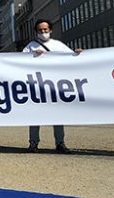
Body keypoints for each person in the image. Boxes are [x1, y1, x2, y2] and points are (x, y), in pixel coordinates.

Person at [23, 19, 82, 153]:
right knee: (35, 115)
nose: (43, 32)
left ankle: (60, 143)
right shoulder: (30, 47)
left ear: (50, 30)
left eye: (45, 29)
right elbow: (20, 62)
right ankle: (33, 143)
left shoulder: (58, 45)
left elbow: (70, 57)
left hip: (56, 84)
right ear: (36, 32)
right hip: (37, 85)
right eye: (40, 30)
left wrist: (77, 54)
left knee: (58, 115)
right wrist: (33, 56)